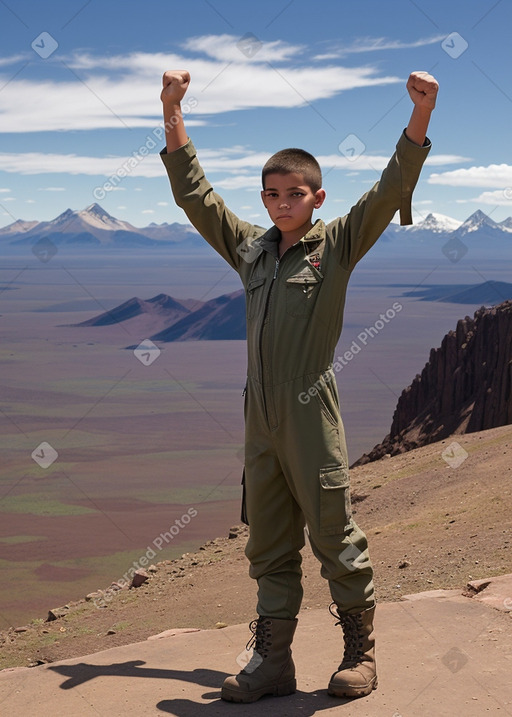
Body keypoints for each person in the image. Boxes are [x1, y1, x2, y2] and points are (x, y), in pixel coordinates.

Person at [160, 68, 438, 703]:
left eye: (294, 192)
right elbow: (195, 195)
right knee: (268, 540)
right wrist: (172, 109)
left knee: (334, 534)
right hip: (259, 419)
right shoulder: (252, 252)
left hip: (311, 411)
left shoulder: (336, 246)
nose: (281, 201)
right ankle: (273, 662)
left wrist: (421, 114)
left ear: (316, 197)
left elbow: (390, 186)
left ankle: (360, 655)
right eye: (271, 193)